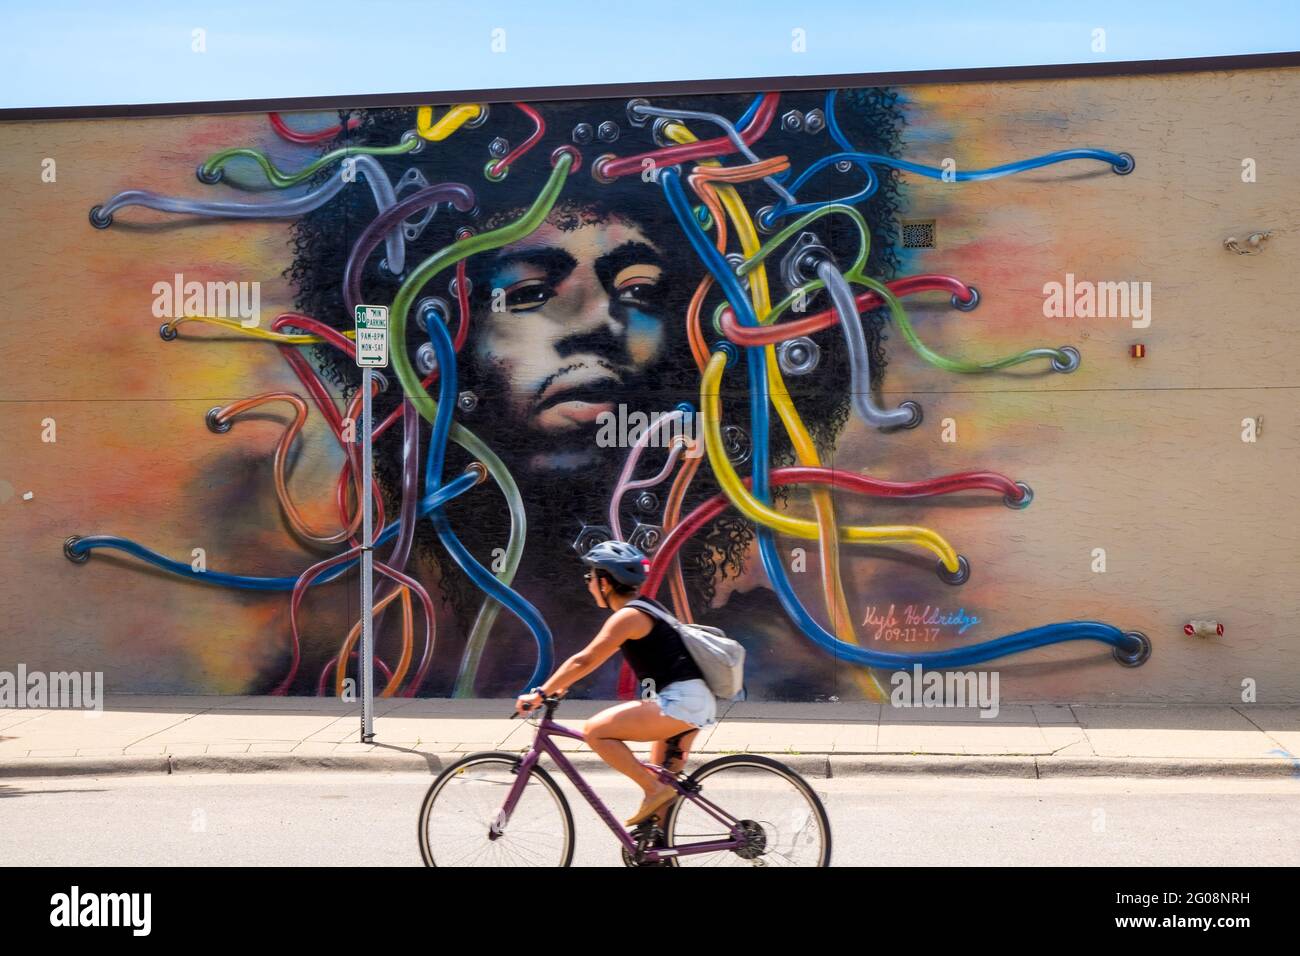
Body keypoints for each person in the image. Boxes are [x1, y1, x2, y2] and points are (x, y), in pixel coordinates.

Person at [514, 540, 718, 826]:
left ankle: (653, 789)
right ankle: (658, 848)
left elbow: (584, 660)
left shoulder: (628, 616)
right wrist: (561, 686)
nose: (588, 584)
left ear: (605, 582)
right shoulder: (646, 608)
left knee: (595, 731)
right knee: (659, 807)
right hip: (692, 700)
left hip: (682, 702)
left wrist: (541, 692)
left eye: (590, 577)